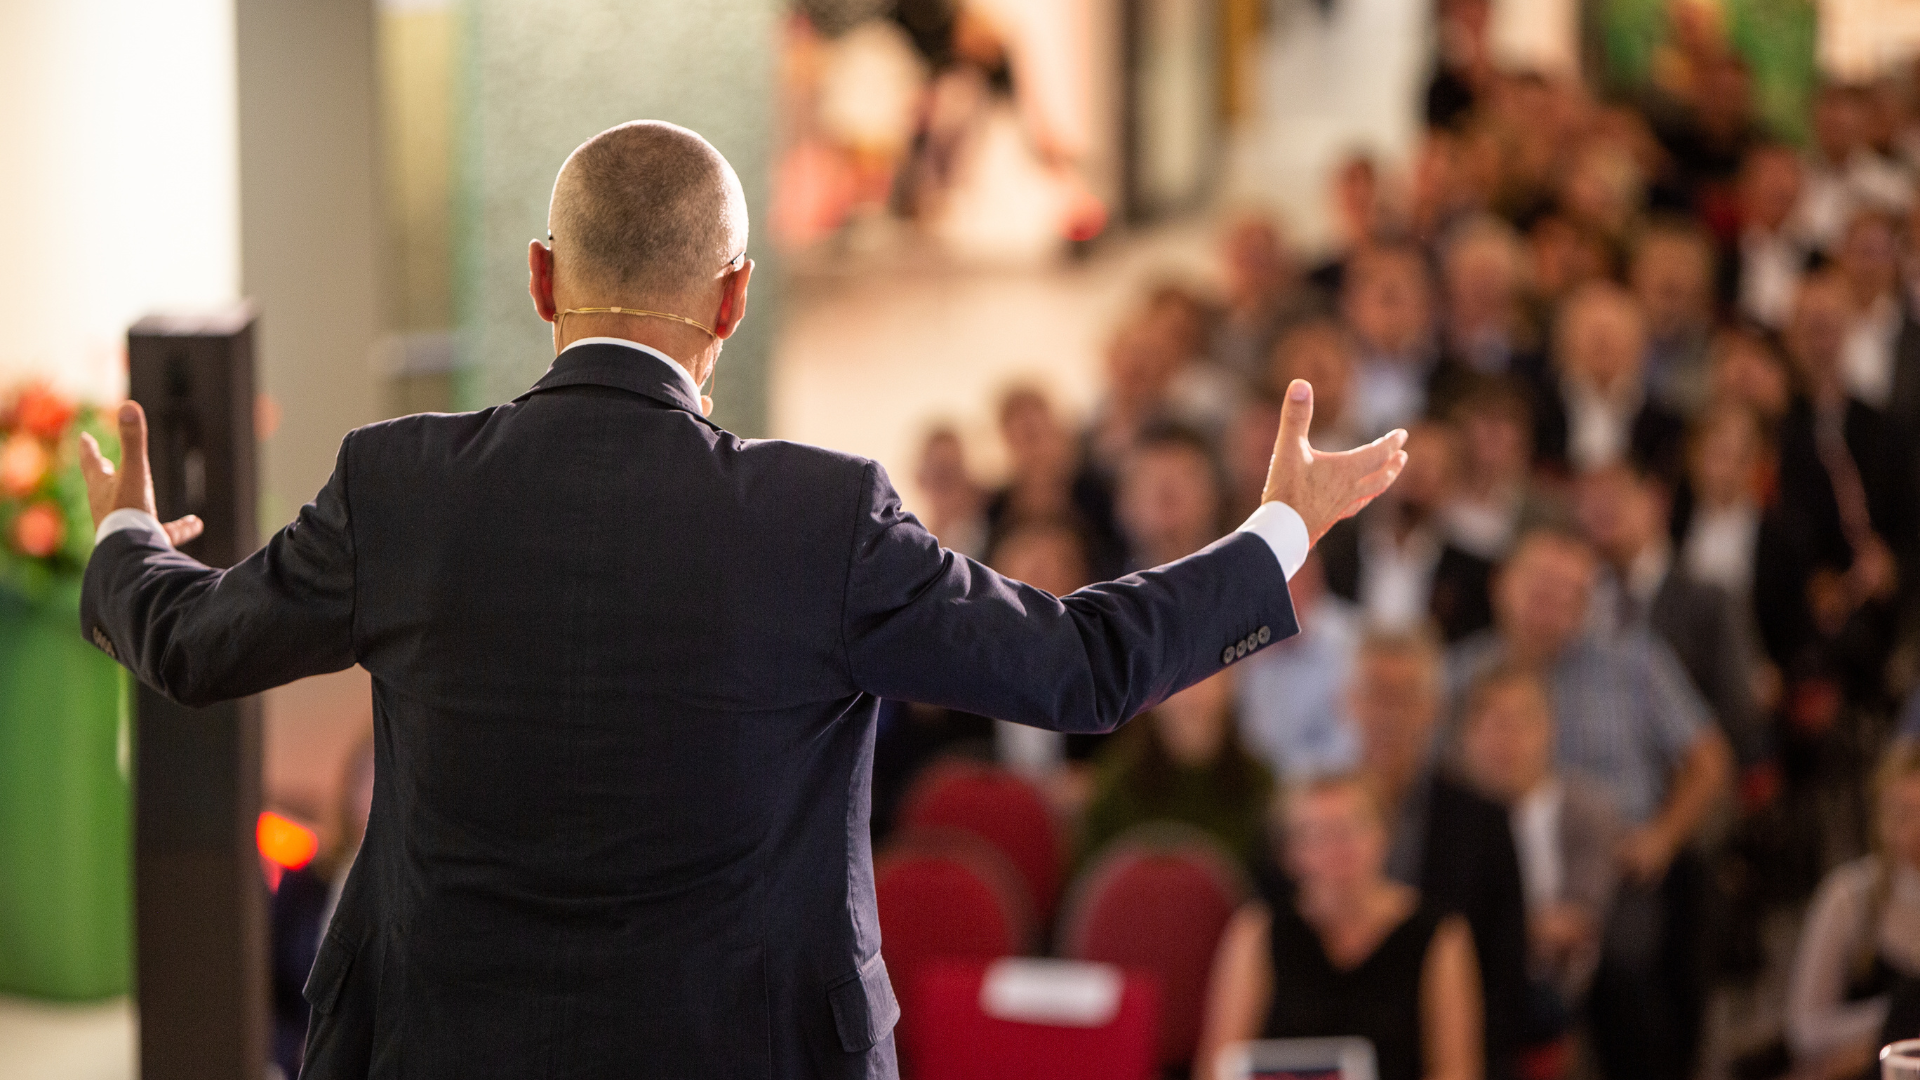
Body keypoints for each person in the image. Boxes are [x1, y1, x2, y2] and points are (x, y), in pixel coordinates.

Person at [76, 121, 1410, 1080]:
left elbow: (189, 645)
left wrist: (128, 532)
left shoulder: (400, 487)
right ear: (734, 299)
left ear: (543, 280)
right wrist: (1278, 528)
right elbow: (1082, 671)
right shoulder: (822, 520)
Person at [1451, 529, 1733, 1080]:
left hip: (1617, 870)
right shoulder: (1461, 673)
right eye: (1539, 588)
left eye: (1570, 595)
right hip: (1491, 870)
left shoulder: (1634, 662)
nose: (1551, 607)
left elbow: (1709, 760)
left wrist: (1661, 837)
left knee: (1626, 970)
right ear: (1500, 586)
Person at [1197, 774, 1483, 1080]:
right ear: (1289, 853)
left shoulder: (1441, 932)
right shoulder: (1256, 930)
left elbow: (1456, 1070)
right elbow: (1221, 1065)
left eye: (1350, 829)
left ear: (1385, 834)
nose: (1336, 848)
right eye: (1316, 834)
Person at [1346, 626, 1529, 1080]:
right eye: (1374, 693)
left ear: (1433, 710)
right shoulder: (1306, 817)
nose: (1386, 714)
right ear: (1346, 703)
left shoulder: (1481, 822)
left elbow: (1506, 968)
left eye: (1403, 696)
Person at [1458, 663, 1621, 1068]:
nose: (1504, 739)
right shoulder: (1450, 816)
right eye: (1491, 723)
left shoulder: (1587, 810)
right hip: (1464, 976)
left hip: (1552, 982)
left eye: (1519, 723)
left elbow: (1582, 918)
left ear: (1550, 729)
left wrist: (1496, 935)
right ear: (1467, 735)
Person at [1576, 463, 1766, 769]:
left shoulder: (1710, 601)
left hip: (1685, 774)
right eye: (1589, 502)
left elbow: (1739, 713)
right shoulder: (1575, 601)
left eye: (1614, 496)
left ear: (1654, 500)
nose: (1601, 511)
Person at [1786, 740, 1920, 1080]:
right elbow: (1805, 1028)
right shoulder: (1848, 897)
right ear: (1879, 816)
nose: (1914, 832)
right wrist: (1893, 1019)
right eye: (1901, 814)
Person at [1077, 670, 1274, 870]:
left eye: (1205, 675)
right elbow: (1093, 883)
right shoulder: (1115, 780)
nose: (1191, 693)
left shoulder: (1259, 785)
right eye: (1178, 679)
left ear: (1230, 683)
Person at [1319, 421, 1494, 642]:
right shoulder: (1332, 545)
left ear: (1451, 485)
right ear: (1380, 469)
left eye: (1432, 467)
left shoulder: (1466, 575)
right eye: (1407, 461)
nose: (1417, 474)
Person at [1532, 281, 1686, 485]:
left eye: (1614, 333)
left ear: (1639, 345)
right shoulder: (1535, 410)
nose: (1603, 342)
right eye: (1592, 333)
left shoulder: (1666, 426)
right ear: (1563, 341)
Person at [1234, 552, 1361, 780]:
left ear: (1315, 582)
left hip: (1328, 786)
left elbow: (1351, 743)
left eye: (1292, 579)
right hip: (1252, 785)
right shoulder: (1239, 644)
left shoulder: (1351, 643)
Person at [1114, 421, 1227, 571]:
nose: (1167, 495)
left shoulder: (1250, 585)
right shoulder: (1095, 589)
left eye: (1184, 478)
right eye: (1149, 480)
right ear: (1124, 503)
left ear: (1214, 495)